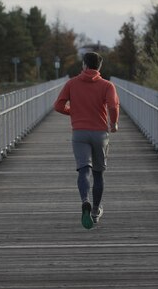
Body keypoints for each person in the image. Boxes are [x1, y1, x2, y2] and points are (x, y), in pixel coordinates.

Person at [54, 52, 120, 229]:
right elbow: (113, 107)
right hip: (99, 134)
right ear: (99, 67)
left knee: (84, 170)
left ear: (84, 65)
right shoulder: (107, 85)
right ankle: (95, 210)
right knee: (98, 174)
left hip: (79, 133)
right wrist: (113, 124)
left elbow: (58, 105)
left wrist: (73, 112)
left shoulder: (71, 83)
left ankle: (85, 200)